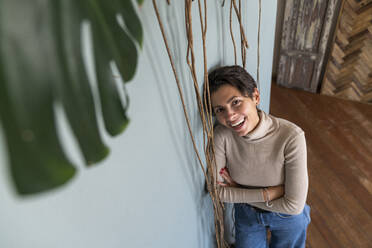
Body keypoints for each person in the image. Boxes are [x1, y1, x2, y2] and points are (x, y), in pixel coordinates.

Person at [208, 65, 311, 248]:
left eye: (236, 102)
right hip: (247, 215)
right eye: (220, 110)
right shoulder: (222, 135)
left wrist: (238, 190)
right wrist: (270, 193)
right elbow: (216, 192)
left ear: (255, 96)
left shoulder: (291, 136)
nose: (230, 115)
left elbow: (294, 205)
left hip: (287, 217)